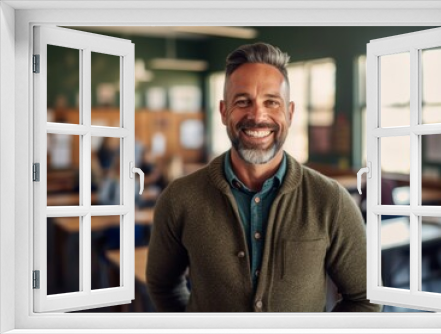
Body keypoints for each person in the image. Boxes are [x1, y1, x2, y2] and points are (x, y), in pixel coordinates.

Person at [146, 42, 381, 312]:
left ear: (290, 113)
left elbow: (366, 298)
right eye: (243, 101)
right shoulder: (179, 198)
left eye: (271, 102)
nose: (257, 115)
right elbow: (163, 286)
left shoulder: (332, 201)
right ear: (223, 112)